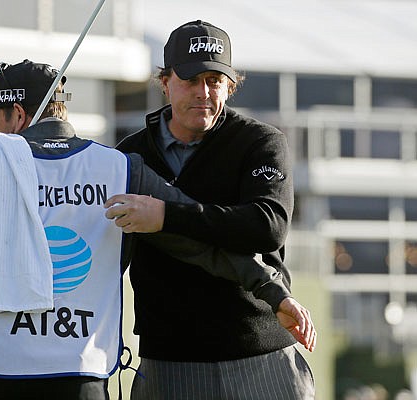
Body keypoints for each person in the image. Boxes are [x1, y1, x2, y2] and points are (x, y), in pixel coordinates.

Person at [0, 59, 314, 400]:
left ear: (17, 115)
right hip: (82, 375)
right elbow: (198, 241)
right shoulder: (121, 168)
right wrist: (272, 291)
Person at [105, 20, 317, 399]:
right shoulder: (129, 155)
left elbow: (266, 226)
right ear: (165, 81)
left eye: (215, 81)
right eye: (190, 80)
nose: (204, 92)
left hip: (260, 355)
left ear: (229, 86)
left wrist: (166, 216)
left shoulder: (261, 142)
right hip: (169, 364)